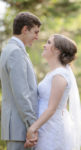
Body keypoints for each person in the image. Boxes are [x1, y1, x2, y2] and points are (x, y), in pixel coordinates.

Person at [24, 34, 81, 150]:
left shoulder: (60, 75)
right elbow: (62, 105)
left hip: (51, 131)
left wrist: (32, 128)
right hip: (45, 127)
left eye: (48, 43)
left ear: (57, 51)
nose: (44, 45)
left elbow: (52, 108)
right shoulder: (53, 73)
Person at [0, 12, 41, 150]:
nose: (37, 37)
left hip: (17, 127)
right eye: (35, 32)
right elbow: (21, 94)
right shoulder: (15, 52)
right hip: (20, 128)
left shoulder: (9, 50)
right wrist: (32, 125)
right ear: (25, 29)